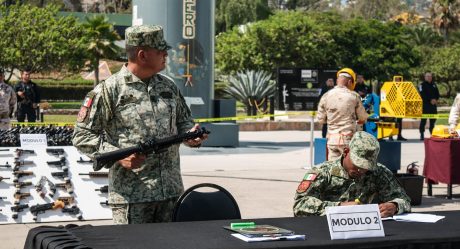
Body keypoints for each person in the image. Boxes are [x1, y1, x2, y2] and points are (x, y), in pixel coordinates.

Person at [72, 25, 207, 224]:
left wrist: (192, 136)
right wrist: (120, 156)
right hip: (132, 197)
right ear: (143, 55)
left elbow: (184, 122)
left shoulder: (168, 86)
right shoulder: (109, 90)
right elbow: (82, 136)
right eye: (161, 51)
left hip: (170, 194)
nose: (166, 55)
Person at [293, 131, 411, 218]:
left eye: (366, 167)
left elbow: (404, 200)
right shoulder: (322, 172)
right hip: (324, 230)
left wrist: (394, 206)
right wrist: (339, 207)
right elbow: (299, 205)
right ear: (346, 152)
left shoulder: (379, 172)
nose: (361, 170)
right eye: (357, 164)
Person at [316, 68, 368, 161]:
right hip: (348, 139)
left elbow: (320, 120)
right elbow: (362, 117)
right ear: (349, 82)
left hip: (332, 140)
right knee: (348, 169)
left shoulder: (326, 95)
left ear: (337, 81)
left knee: (334, 168)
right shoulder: (354, 96)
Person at [419, 72, 439, 140]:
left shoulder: (434, 84)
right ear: (425, 77)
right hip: (425, 105)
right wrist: (430, 100)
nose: (429, 77)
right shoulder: (422, 85)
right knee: (423, 120)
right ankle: (422, 133)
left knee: (433, 120)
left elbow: (437, 93)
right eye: (427, 76)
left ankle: (432, 133)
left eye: (430, 76)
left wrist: (435, 100)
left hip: (433, 106)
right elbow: (422, 94)